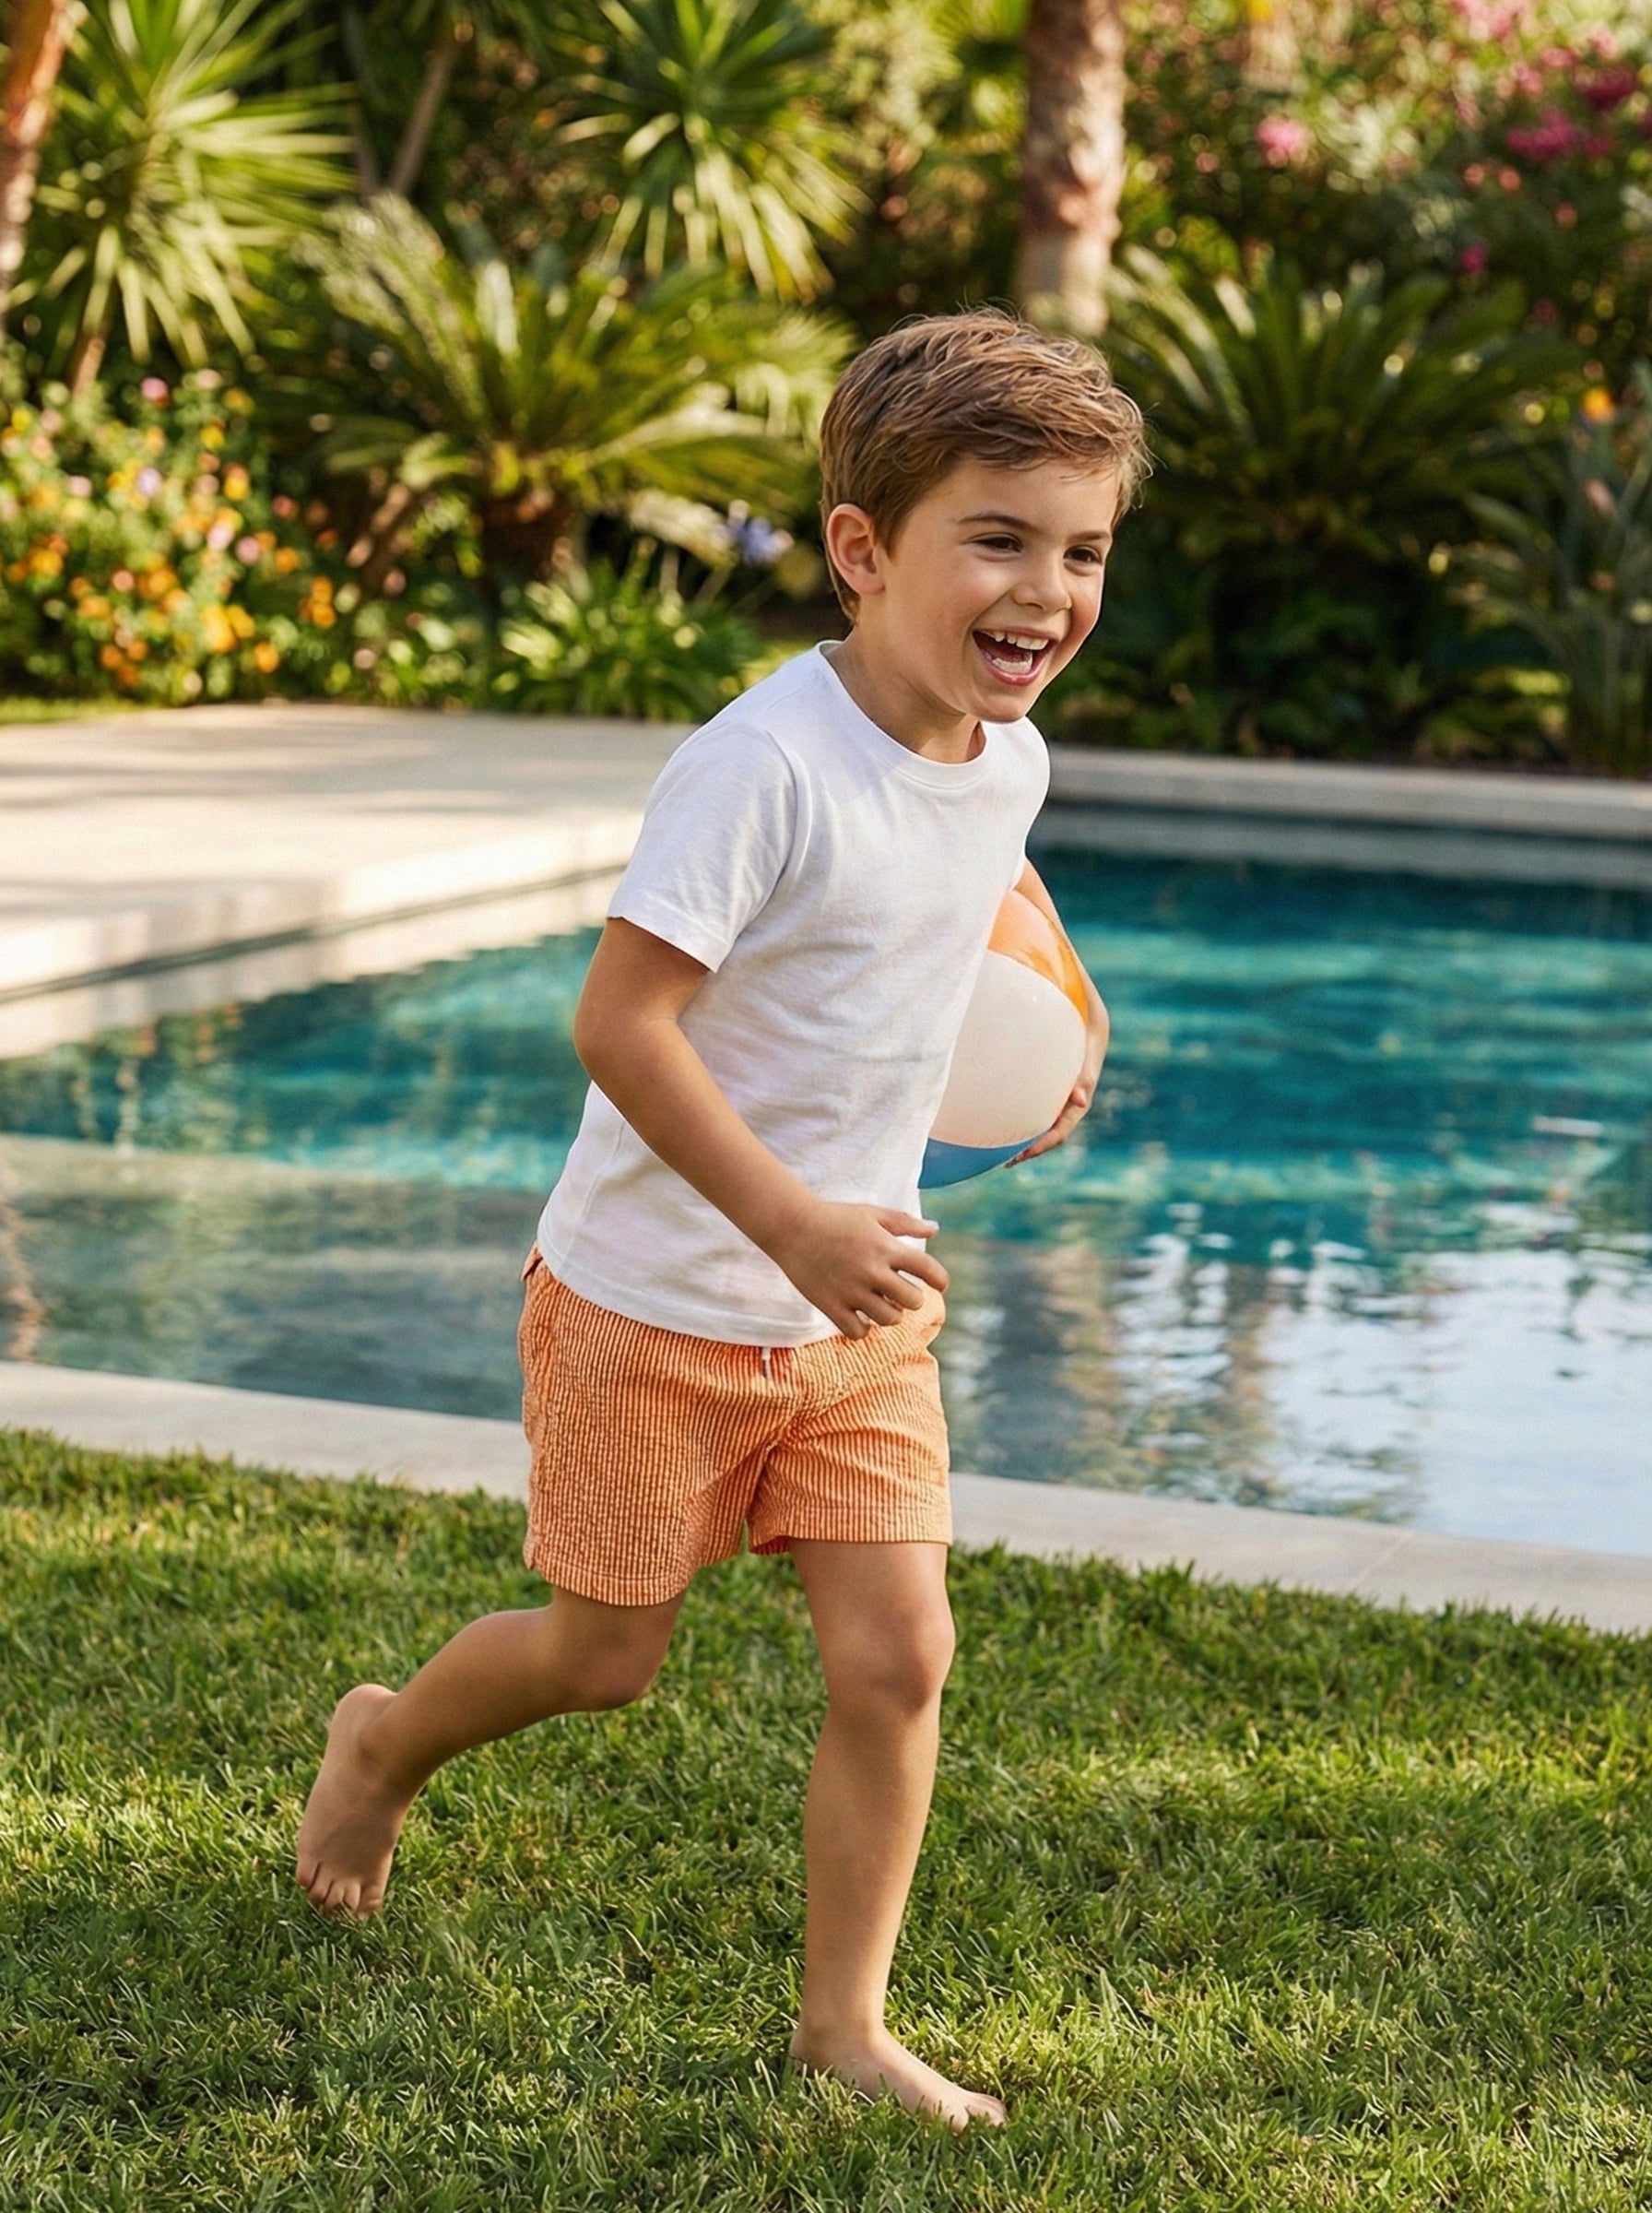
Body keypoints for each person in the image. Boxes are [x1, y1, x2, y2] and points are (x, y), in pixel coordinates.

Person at [296, 308, 1148, 2130]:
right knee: (601, 1660)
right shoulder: (760, 768)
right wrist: (790, 1226)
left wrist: (1050, 1043)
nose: (1047, 590)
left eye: (1079, 550)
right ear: (861, 550)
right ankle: (381, 1739)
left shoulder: (1004, 761)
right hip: (652, 1304)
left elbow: (971, 910)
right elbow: (617, 1024)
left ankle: (841, 2024)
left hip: (855, 1321)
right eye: (996, 540)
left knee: (900, 1656)